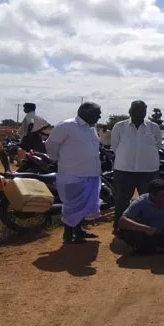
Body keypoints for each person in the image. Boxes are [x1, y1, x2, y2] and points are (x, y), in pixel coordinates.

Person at [44, 102, 103, 244]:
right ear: (85, 112)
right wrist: (57, 159)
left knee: (84, 206)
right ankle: (68, 235)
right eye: (97, 113)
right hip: (72, 173)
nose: (99, 116)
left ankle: (79, 231)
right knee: (72, 206)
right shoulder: (66, 126)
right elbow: (51, 145)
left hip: (91, 173)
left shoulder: (91, 128)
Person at [111, 100, 162, 230]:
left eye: (143, 110)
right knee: (121, 200)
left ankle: (148, 226)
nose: (140, 113)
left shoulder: (154, 127)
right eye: (136, 110)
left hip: (148, 171)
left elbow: (158, 146)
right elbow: (115, 147)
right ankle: (119, 226)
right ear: (130, 111)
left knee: (149, 200)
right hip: (124, 170)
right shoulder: (119, 126)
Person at [117, 179, 164, 254]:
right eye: (162, 196)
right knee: (123, 233)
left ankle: (150, 249)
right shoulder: (141, 202)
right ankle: (160, 248)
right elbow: (122, 221)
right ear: (152, 195)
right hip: (146, 235)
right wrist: (146, 229)